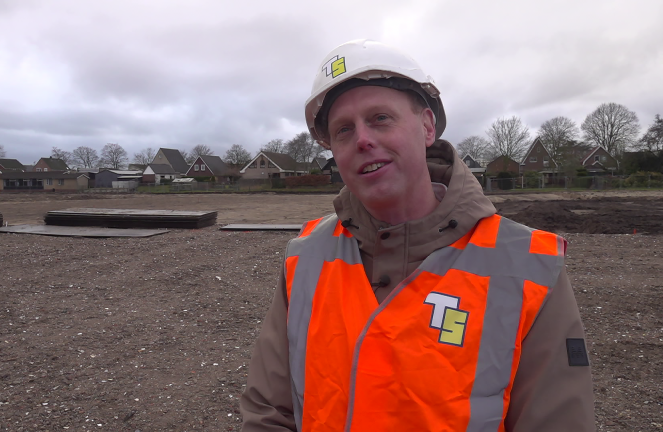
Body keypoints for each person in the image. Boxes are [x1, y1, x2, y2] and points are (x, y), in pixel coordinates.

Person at [240, 39, 595, 431]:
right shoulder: (305, 257)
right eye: (343, 130)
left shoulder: (528, 268)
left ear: (427, 126)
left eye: (380, 118)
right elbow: (269, 412)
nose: (361, 139)